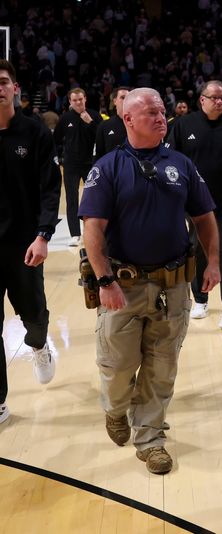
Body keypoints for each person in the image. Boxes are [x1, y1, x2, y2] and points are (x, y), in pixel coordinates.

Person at [78, 88, 220, 474]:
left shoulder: (181, 165)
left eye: (163, 112)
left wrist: (213, 263)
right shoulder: (106, 168)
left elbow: (205, 217)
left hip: (172, 286)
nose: (162, 118)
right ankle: (115, 409)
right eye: (152, 113)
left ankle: (151, 438)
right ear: (127, 119)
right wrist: (106, 280)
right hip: (122, 287)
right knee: (119, 366)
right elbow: (93, 229)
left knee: (162, 366)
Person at [0, 59, 61, 424]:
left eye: (4, 81)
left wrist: (43, 235)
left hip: (25, 246)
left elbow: (50, 189)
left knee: (34, 319)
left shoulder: (35, 132)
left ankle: (39, 346)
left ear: (15, 88)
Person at [168, 81, 222, 329]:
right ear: (202, 100)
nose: (219, 102)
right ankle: (200, 299)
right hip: (194, 203)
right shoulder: (183, 125)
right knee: (197, 250)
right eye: (214, 98)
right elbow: (170, 161)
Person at [53, 87, 102, 247]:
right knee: (71, 199)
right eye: (74, 100)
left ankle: (95, 232)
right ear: (70, 102)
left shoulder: (94, 115)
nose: (78, 102)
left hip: (91, 164)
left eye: (80, 99)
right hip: (71, 165)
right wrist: (58, 158)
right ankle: (75, 234)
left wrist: (91, 123)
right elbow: (55, 140)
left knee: (94, 199)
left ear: (85, 99)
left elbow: (101, 138)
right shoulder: (65, 118)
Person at [94, 86, 130, 160]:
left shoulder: (139, 124)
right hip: (111, 170)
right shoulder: (104, 125)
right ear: (114, 101)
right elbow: (98, 154)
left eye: (129, 98)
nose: (126, 100)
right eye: (123, 97)